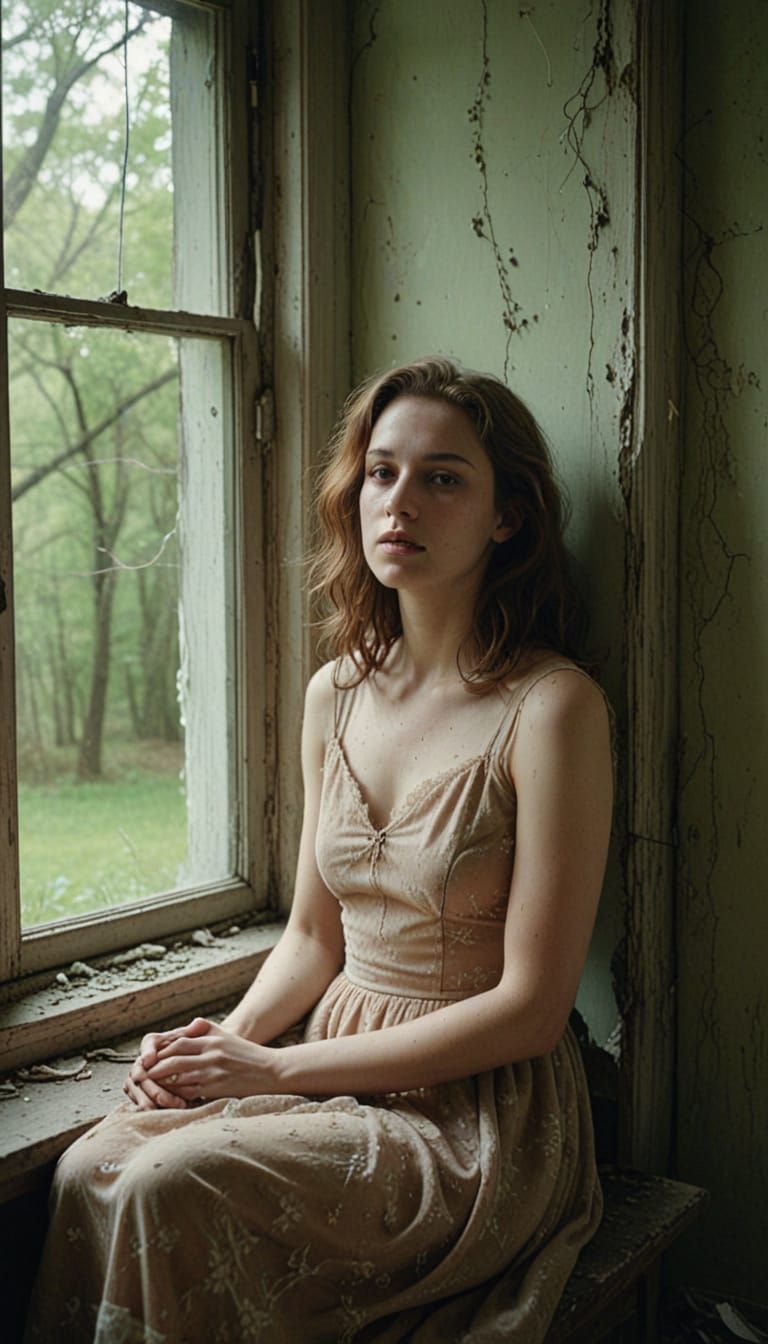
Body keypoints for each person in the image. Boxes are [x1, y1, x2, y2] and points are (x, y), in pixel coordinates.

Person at [25, 356, 613, 1344]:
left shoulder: (552, 710)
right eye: (381, 472)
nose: (401, 502)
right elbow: (311, 934)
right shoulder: (334, 692)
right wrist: (214, 1052)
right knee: (95, 1164)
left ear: (508, 516)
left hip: (473, 1113)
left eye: (443, 477)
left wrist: (270, 1072)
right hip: (324, 1056)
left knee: (170, 1183)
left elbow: (532, 1008)